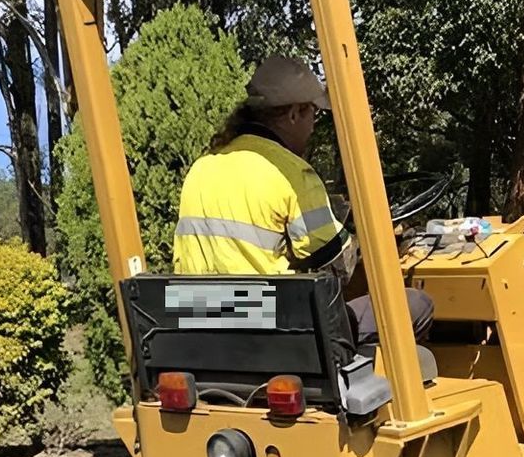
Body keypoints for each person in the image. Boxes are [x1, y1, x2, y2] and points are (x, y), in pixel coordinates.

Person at [173, 55, 434, 349]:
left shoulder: (203, 167)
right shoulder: (293, 175)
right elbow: (340, 266)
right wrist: (377, 240)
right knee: (417, 304)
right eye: (312, 114)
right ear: (294, 114)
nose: (312, 126)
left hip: (202, 328)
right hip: (276, 332)